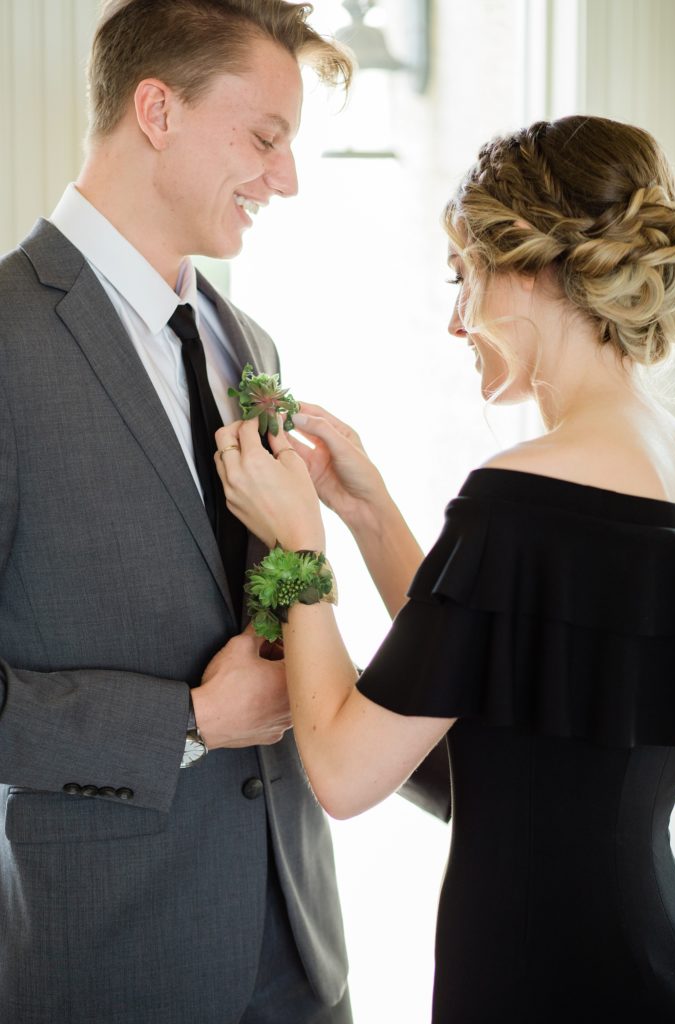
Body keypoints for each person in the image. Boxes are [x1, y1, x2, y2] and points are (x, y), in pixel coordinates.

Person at [215, 114, 675, 1023]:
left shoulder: (522, 494)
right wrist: (367, 509)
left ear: (533, 271)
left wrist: (301, 546)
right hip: (641, 962)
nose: (455, 318)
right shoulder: (660, 467)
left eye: (462, 276)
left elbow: (349, 774)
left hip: (540, 981)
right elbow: (490, 691)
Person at [0, 2, 360, 1022]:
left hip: (298, 941)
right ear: (155, 108)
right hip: (110, 962)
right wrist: (189, 722)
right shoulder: (5, 339)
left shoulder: (251, 345)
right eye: (263, 137)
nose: (283, 178)